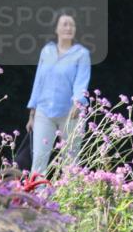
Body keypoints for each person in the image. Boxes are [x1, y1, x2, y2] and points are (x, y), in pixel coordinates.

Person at [25, 11, 91, 175]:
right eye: (65, 24)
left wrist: (78, 102)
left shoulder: (81, 54)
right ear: (56, 28)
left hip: (70, 114)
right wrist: (32, 113)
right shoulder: (46, 51)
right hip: (44, 112)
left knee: (71, 161)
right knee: (39, 159)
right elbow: (38, 81)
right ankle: (37, 198)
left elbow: (81, 82)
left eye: (72, 25)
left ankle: (67, 199)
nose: (69, 28)